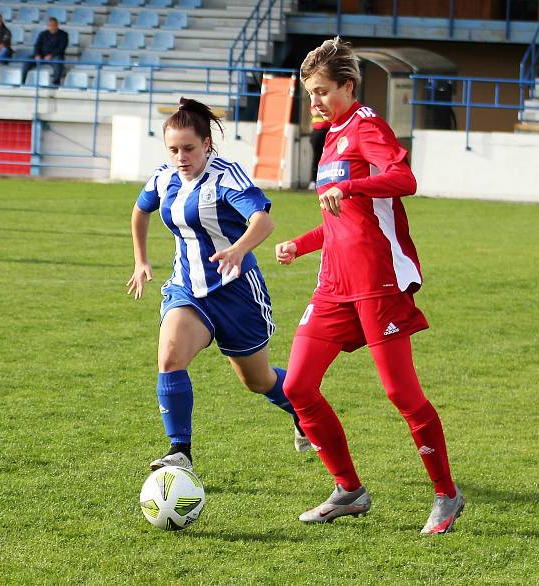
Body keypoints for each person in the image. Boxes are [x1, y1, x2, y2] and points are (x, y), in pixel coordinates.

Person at [274, 37, 464, 535]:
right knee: (297, 386)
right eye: (308, 93)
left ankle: (446, 495)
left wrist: (351, 186)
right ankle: (349, 491)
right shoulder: (332, 136)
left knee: (401, 393)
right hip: (333, 284)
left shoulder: (366, 127)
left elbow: (404, 179)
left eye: (320, 92)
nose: (313, 102)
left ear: (348, 86)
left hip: (377, 283)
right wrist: (301, 242)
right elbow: (345, 221)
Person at [127, 97, 309, 472]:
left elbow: (263, 220)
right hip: (188, 290)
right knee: (170, 358)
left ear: (207, 143)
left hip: (237, 294)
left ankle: (300, 407)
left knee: (258, 381)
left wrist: (238, 250)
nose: (181, 156)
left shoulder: (227, 175)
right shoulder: (164, 177)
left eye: (189, 148)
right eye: (173, 149)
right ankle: (180, 451)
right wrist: (141, 259)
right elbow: (140, 210)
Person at [21, 17, 68, 86]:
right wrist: (37, 55)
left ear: (57, 25)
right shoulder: (43, 34)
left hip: (55, 56)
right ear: (48, 26)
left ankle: (55, 83)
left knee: (58, 63)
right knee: (27, 60)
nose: (52, 27)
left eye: (54, 25)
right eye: (50, 25)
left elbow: (61, 48)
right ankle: (23, 82)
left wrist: (51, 55)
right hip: (42, 56)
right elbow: (37, 46)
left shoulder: (63, 35)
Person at [307, 103, 330, 191]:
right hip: (317, 131)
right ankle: (313, 181)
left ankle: (326, 181)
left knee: (328, 157)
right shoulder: (316, 102)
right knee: (316, 157)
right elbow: (315, 113)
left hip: (329, 131)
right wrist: (327, 112)